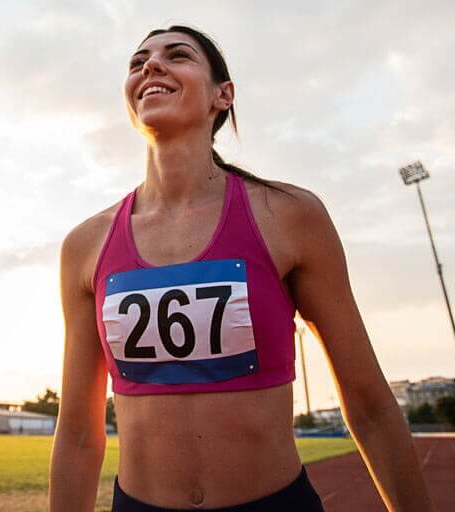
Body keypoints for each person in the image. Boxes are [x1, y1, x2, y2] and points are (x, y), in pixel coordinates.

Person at [48, 25, 433, 511]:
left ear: (222, 95)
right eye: (137, 62)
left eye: (177, 55)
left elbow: (370, 405)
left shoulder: (289, 215)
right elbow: (79, 433)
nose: (151, 66)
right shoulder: (85, 245)